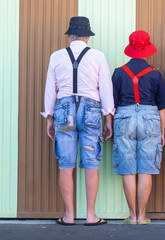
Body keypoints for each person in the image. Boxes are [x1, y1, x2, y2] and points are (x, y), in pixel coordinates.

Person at [41, 16, 114, 226]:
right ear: (86, 37)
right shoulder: (98, 56)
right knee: (91, 164)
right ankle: (91, 215)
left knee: (66, 164)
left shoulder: (56, 56)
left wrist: (49, 117)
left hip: (64, 111)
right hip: (90, 110)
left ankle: (69, 215)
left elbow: (50, 89)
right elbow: (105, 88)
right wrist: (108, 117)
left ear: (70, 36)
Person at [112, 31, 165, 225]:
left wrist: (110, 126)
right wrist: (162, 132)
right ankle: (142, 216)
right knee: (145, 168)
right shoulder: (155, 74)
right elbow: (162, 106)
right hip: (150, 117)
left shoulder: (119, 73)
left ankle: (131, 215)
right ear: (147, 48)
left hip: (124, 116)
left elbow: (113, 104)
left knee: (128, 169)